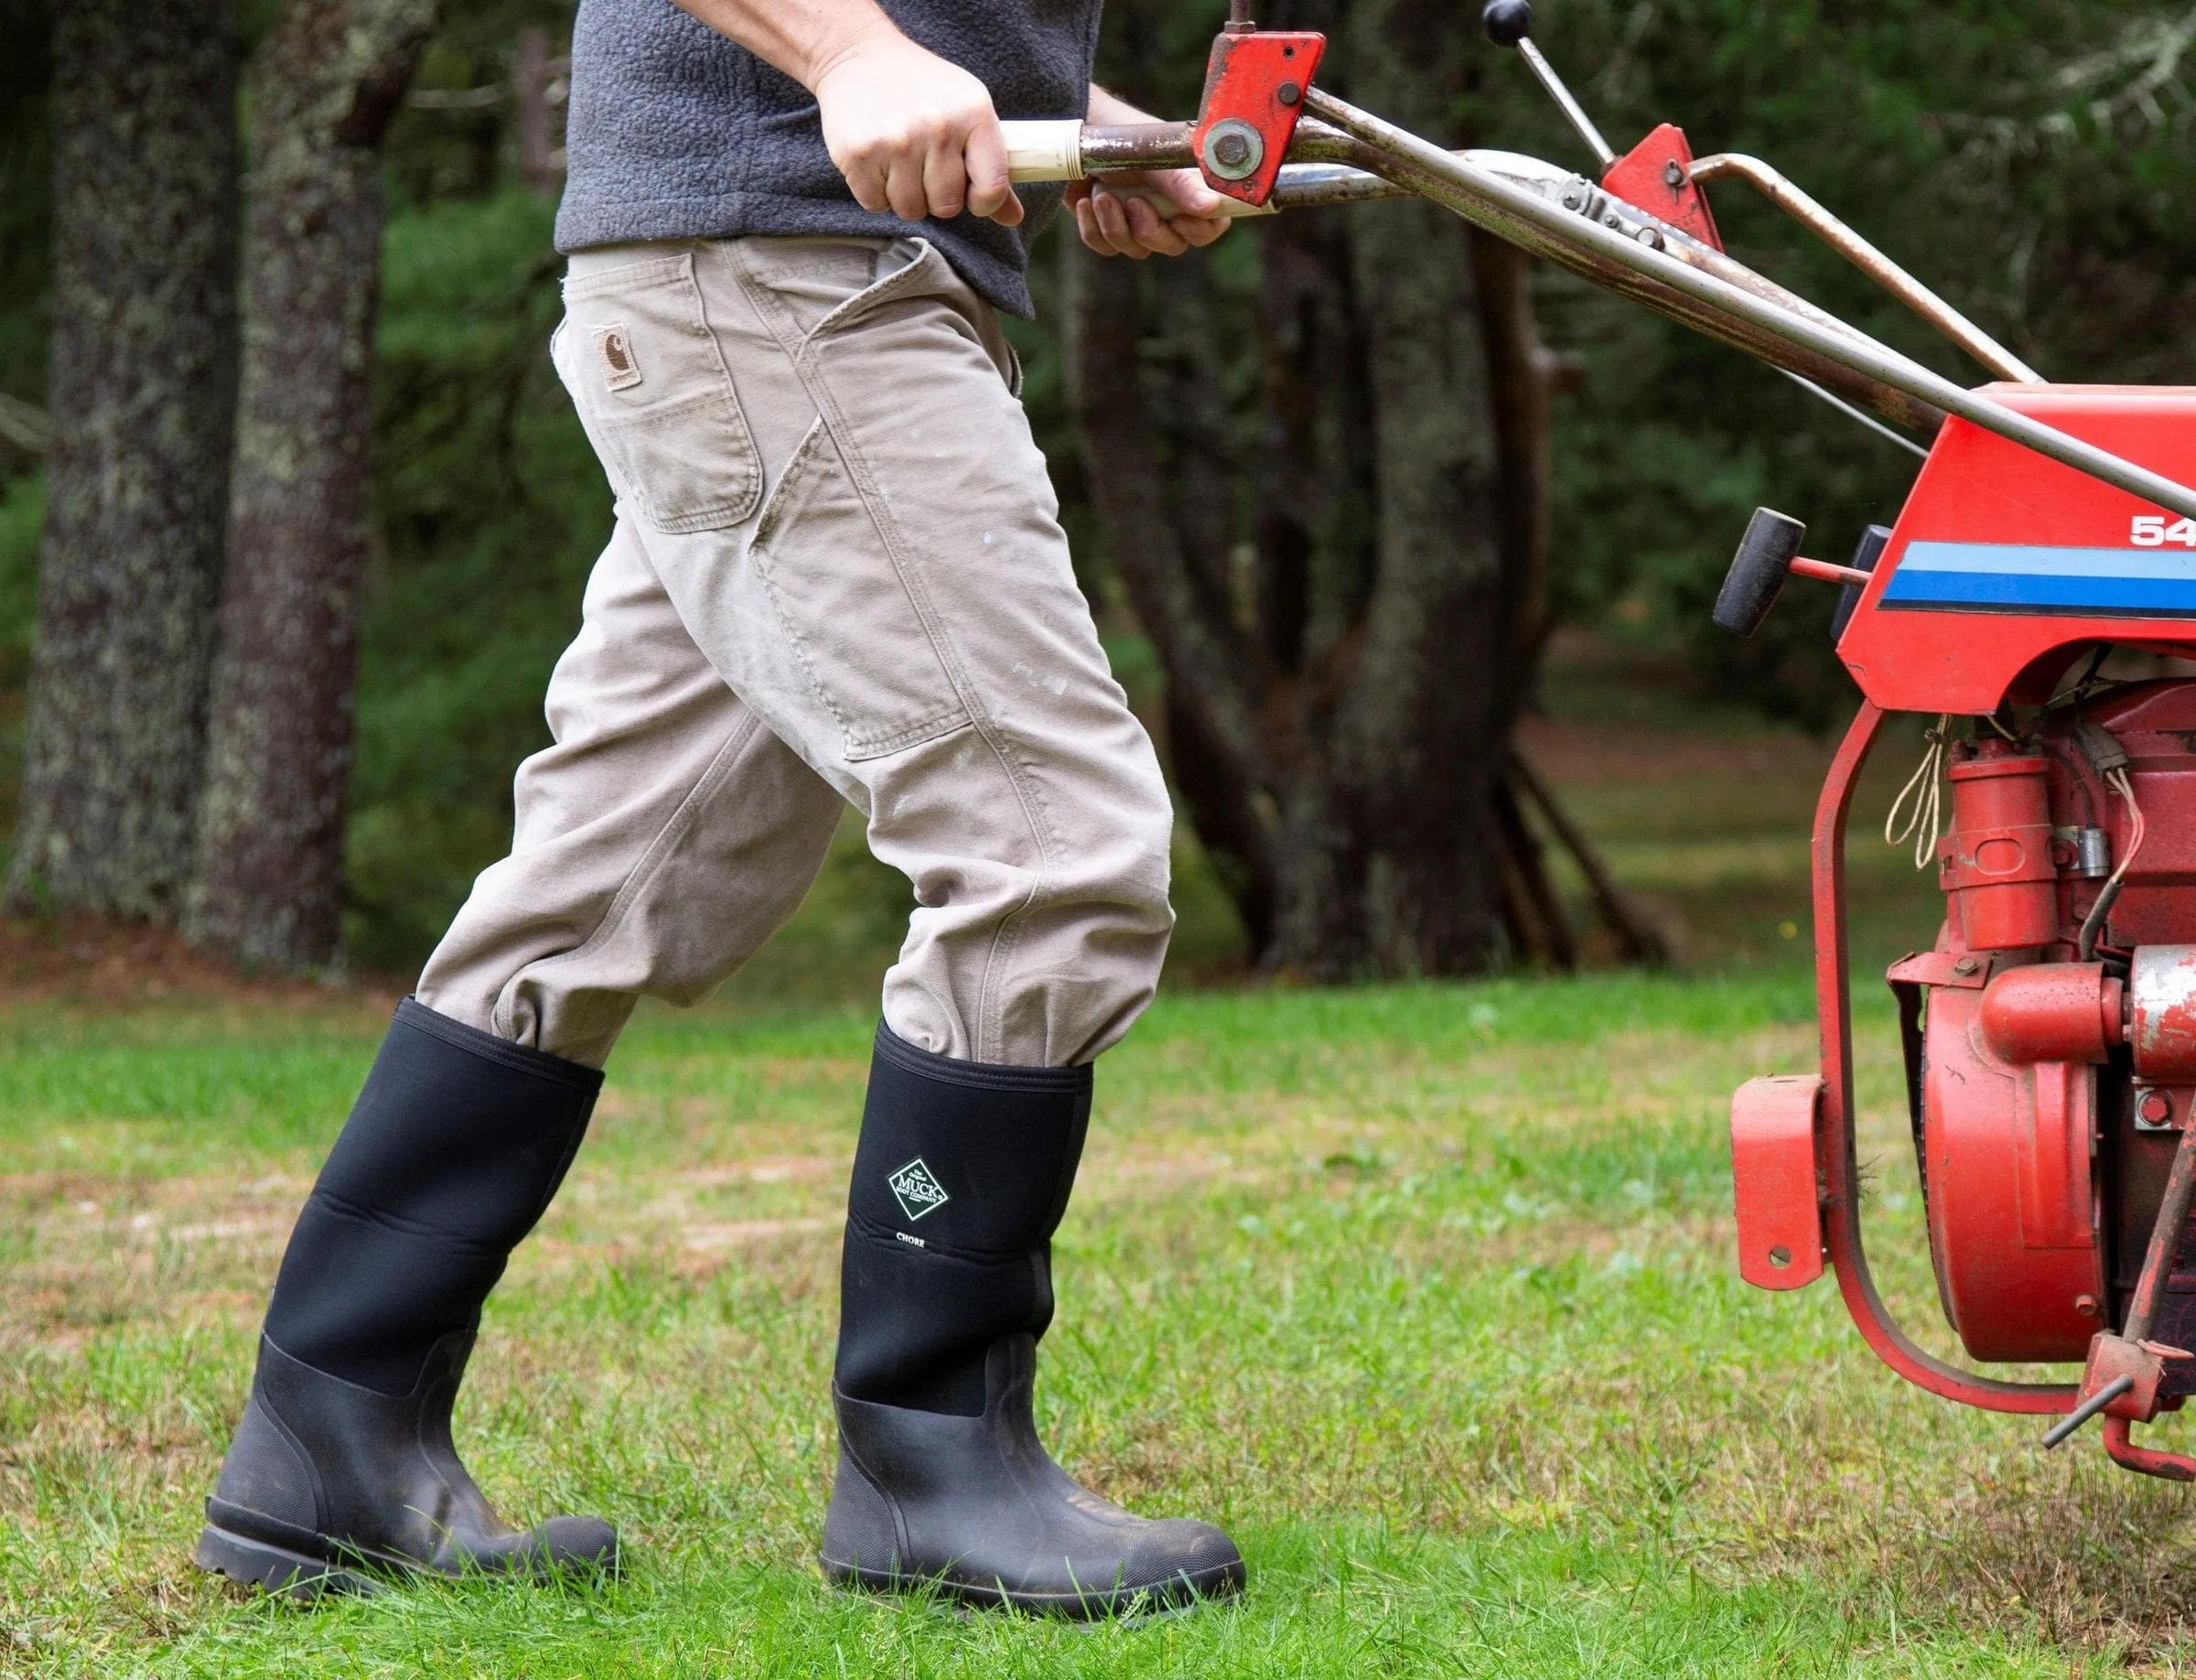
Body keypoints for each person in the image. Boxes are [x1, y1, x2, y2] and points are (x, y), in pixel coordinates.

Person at [191, 0, 1245, 1621]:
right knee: (1050, 852)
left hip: (779, 271)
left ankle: (325, 1433)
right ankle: (932, 1460)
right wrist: (846, 58)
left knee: (611, 880)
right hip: (787, 280)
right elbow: (866, 41)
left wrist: (1072, 110)